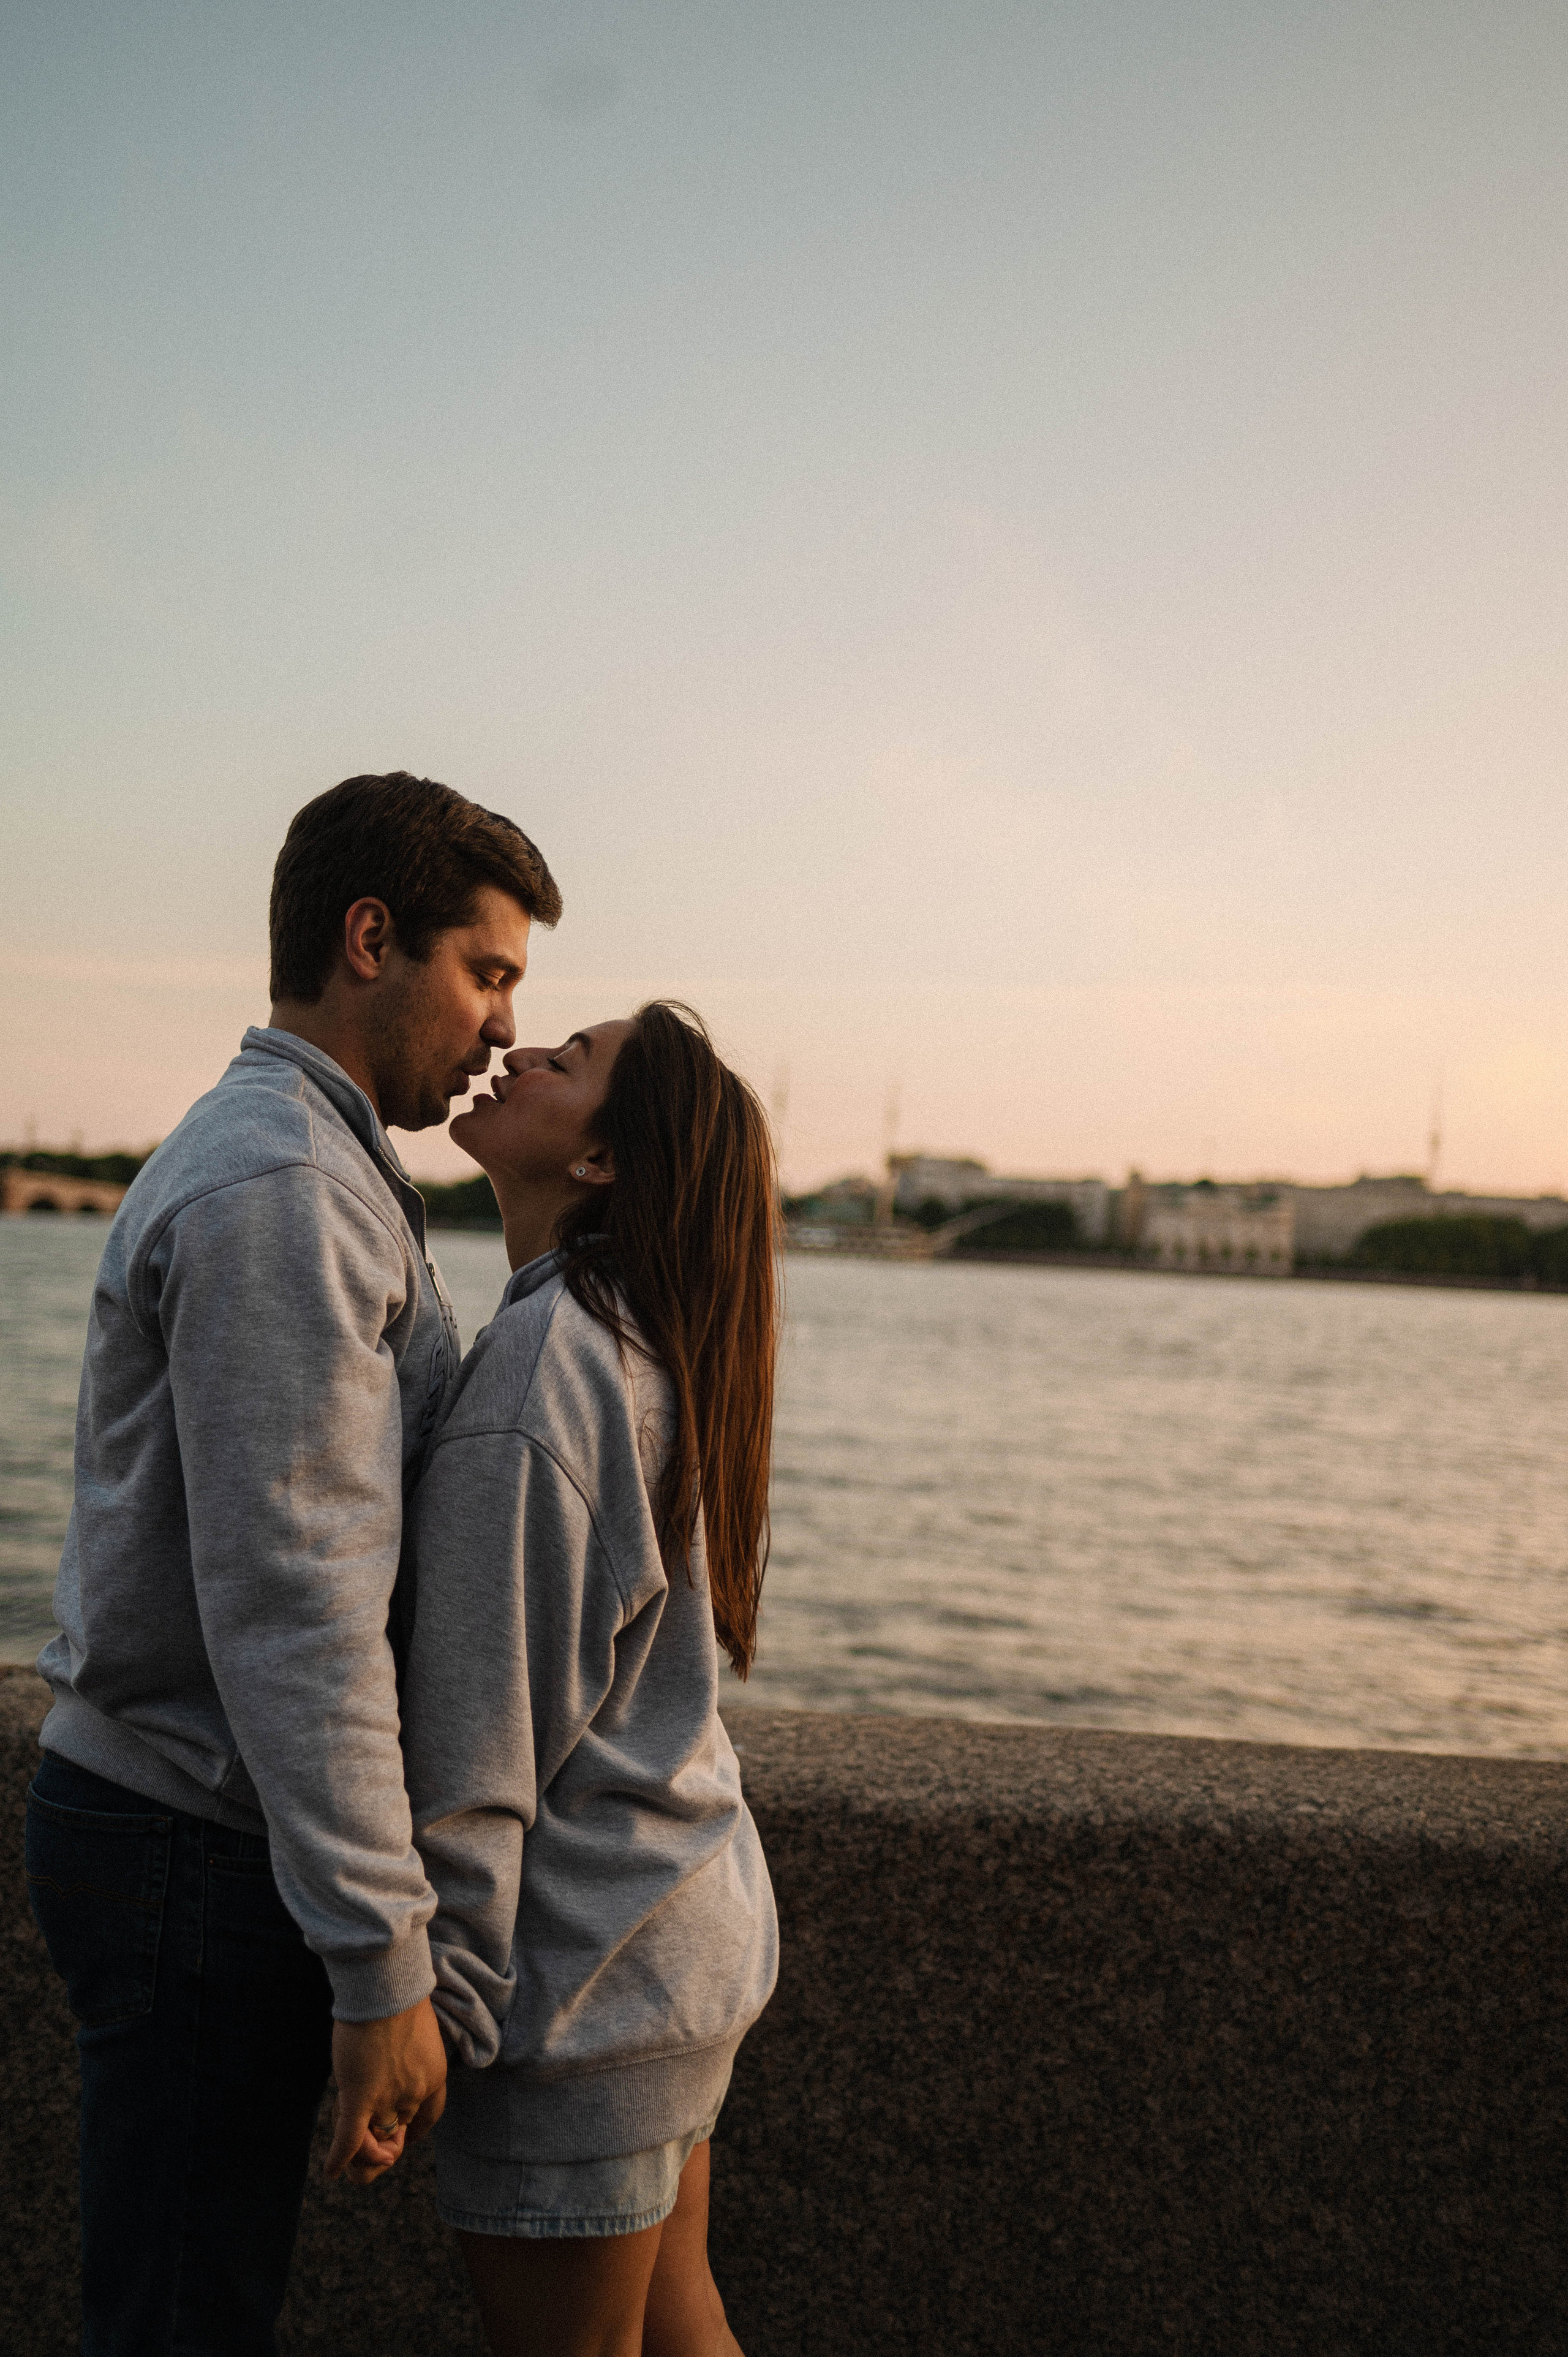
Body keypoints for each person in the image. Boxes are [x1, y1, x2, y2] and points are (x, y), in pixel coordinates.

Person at [24, 772, 562, 2356]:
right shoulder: (286, 1189)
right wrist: (380, 1959)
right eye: (490, 974)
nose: (506, 1032)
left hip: (193, 1826)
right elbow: (296, 1601)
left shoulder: (320, 1162)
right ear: (371, 937)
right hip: (192, 1839)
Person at [396, 1001, 780, 2357]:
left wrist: (426, 2003)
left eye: (572, 1059)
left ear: (606, 1159)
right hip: (673, 1951)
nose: (520, 1051)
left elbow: (476, 1739)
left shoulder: (546, 1369)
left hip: (588, 1986)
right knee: (683, 2324)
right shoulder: (637, 1341)